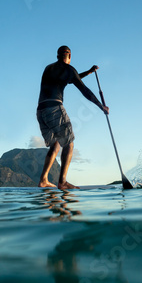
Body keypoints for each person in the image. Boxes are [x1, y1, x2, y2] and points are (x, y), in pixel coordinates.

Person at [36, 45, 109, 189]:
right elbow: (84, 90)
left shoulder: (48, 68)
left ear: (58, 56)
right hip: (54, 109)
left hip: (41, 111)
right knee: (68, 143)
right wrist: (102, 107)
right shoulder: (69, 69)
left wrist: (88, 72)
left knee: (56, 144)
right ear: (69, 56)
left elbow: (69, 79)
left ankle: (43, 179)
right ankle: (62, 182)